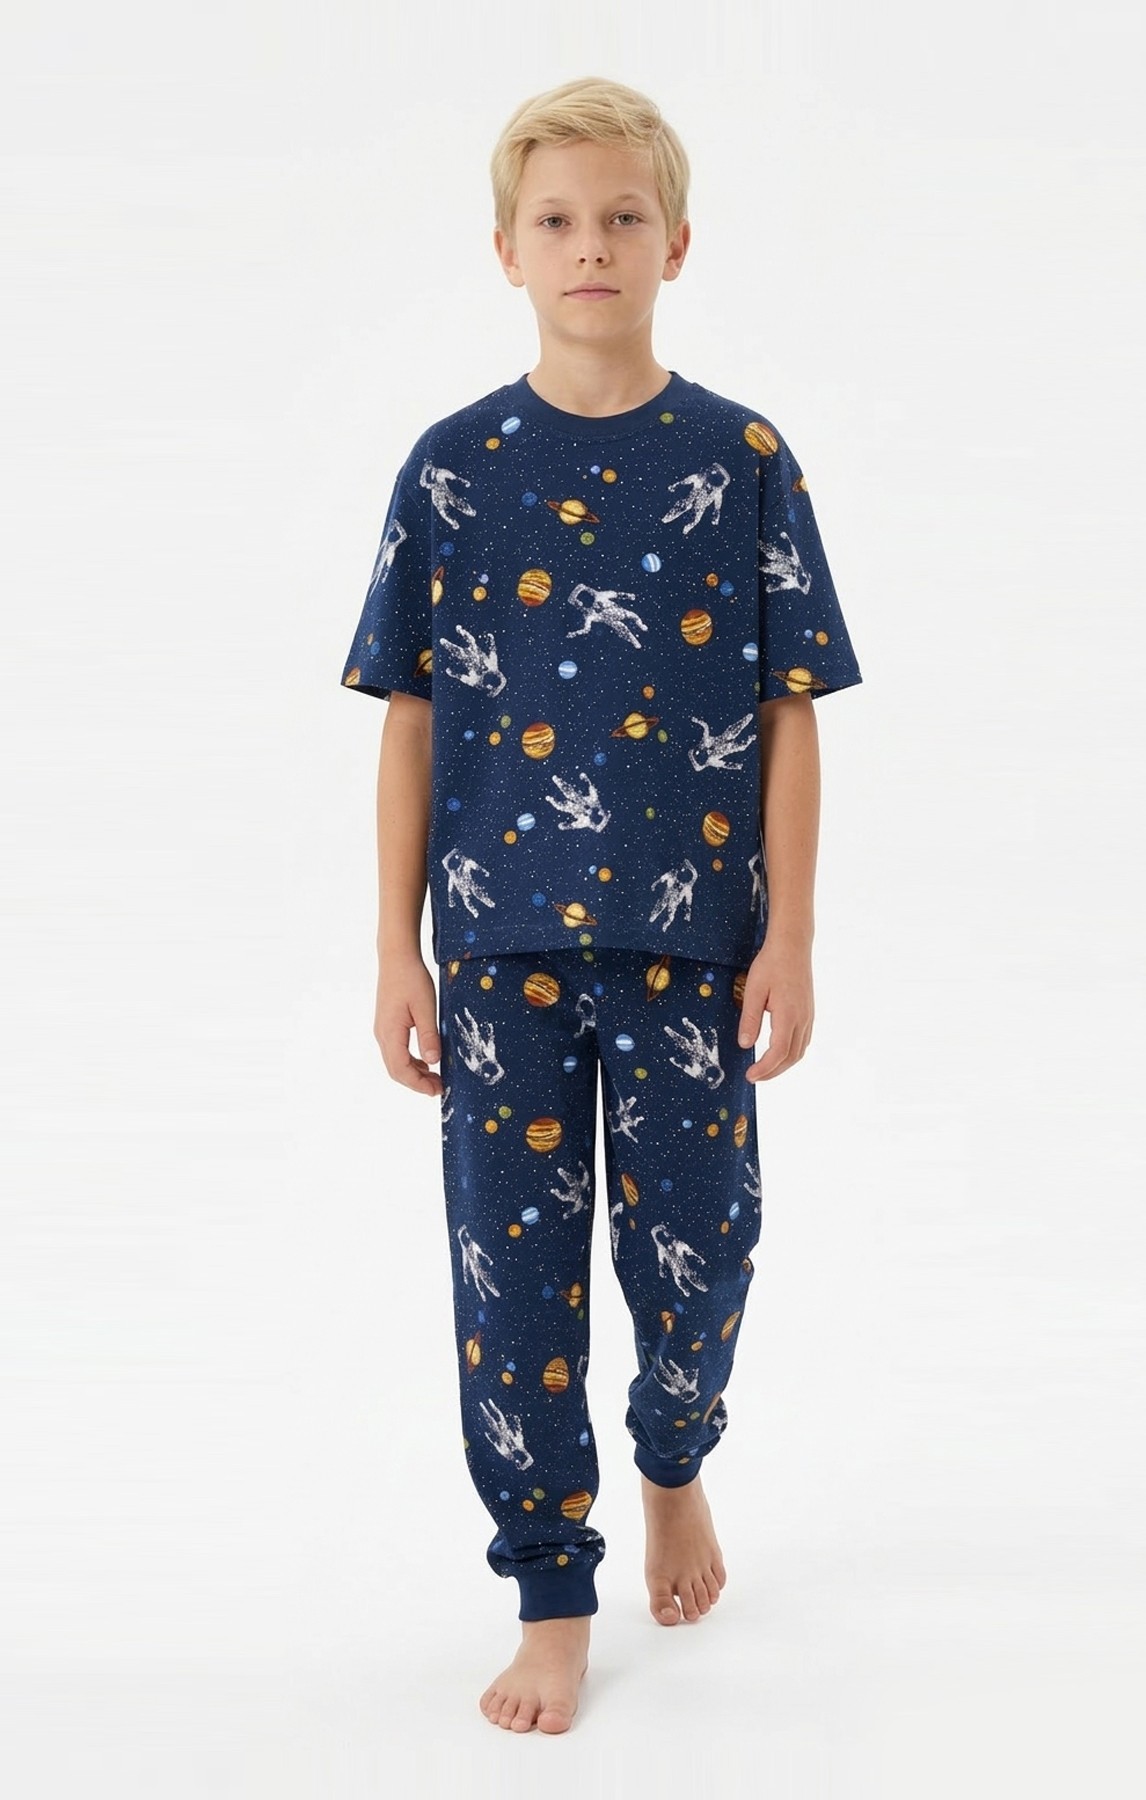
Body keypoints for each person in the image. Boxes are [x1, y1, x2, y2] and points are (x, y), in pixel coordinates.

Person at [339, 75, 864, 1735]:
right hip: (498, 949)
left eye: (623, 218)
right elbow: (411, 716)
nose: (591, 246)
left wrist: (792, 934)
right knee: (514, 1291)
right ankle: (551, 1590)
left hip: (694, 944)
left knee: (703, 1255)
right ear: (506, 250)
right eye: (556, 220)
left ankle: (673, 1461)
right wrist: (394, 947)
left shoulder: (743, 458)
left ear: (675, 245)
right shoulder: (451, 469)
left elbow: (790, 708)